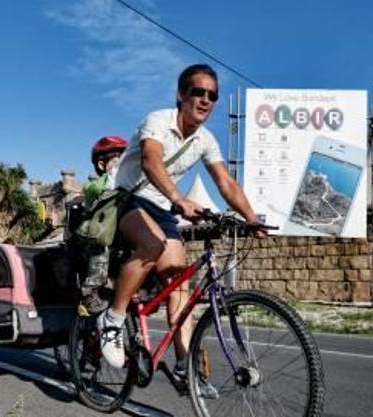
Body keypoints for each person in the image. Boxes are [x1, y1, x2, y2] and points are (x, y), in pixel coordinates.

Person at [96, 64, 264, 397]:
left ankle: (183, 366)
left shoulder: (205, 140)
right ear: (181, 95)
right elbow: (150, 161)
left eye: (212, 95)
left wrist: (251, 217)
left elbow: (225, 182)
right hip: (129, 200)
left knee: (179, 284)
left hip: (165, 210)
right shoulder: (157, 121)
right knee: (153, 245)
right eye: (198, 92)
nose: (205, 100)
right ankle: (112, 320)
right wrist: (179, 198)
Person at [80, 136, 128, 313]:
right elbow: (91, 189)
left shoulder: (127, 182)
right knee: (100, 247)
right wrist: (110, 180)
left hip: (120, 237)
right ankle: (90, 290)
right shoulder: (100, 183)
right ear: (102, 165)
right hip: (98, 237)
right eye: (118, 161)